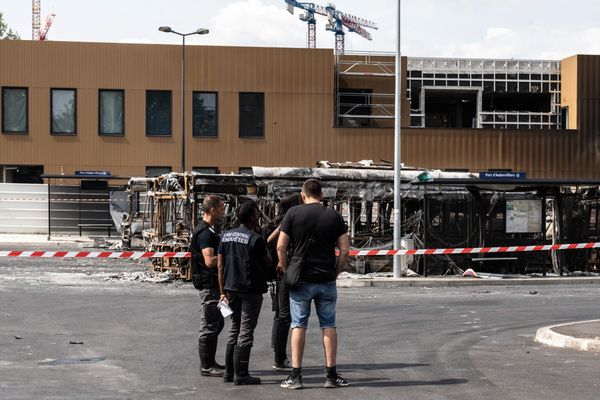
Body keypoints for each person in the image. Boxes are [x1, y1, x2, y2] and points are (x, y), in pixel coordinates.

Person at [276, 179, 350, 390]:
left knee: (298, 325)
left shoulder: (293, 214)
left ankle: (296, 376)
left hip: (300, 280)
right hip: (326, 278)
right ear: (322, 195)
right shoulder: (333, 215)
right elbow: (345, 250)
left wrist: (284, 267)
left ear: (302, 194)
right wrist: (335, 271)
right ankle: (331, 375)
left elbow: (281, 246)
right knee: (328, 325)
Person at [217, 200, 272, 385]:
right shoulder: (255, 239)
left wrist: (222, 291)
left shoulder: (225, 236)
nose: (258, 217)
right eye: (256, 214)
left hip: (231, 289)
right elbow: (268, 261)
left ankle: (229, 373)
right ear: (250, 217)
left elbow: (219, 265)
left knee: (234, 329)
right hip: (250, 289)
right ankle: (241, 374)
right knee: (246, 331)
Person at [190, 195, 226, 377]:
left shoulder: (210, 231)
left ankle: (210, 361)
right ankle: (207, 366)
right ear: (212, 210)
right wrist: (229, 258)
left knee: (218, 322)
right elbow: (209, 261)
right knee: (209, 325)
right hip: (209, 285)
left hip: (215, 286)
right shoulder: (204, 233)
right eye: (221, 209)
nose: (223, 212)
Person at [266, 193, 302, 371]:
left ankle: (279, 354)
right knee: (284, 316)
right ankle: (279, 358)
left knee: (280, 315)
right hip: (284, 275)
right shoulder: (283, 224)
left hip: (278, 275)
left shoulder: (277, 222)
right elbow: (274, 243)